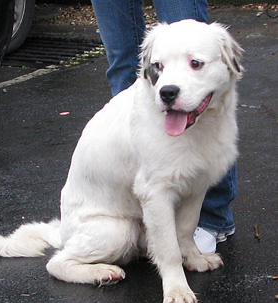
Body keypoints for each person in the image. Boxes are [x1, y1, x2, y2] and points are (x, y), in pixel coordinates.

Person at [90, 0, 236, 253]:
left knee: (186, 26)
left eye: (196, 64)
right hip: (102, 216)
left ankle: (209, 222)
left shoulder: (215, 46)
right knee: (124, 62)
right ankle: (160, 226)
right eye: (159, 67)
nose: (168, 84)